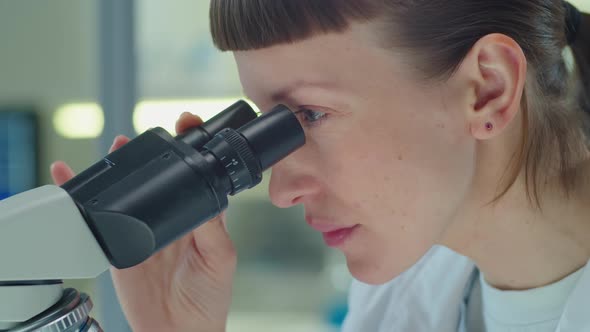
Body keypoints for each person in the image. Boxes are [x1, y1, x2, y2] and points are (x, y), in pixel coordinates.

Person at [51, 1, 590, 331]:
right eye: (267, 126)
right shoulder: (397, 294)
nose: (282, 189)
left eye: (311, 114)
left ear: (487, 88)